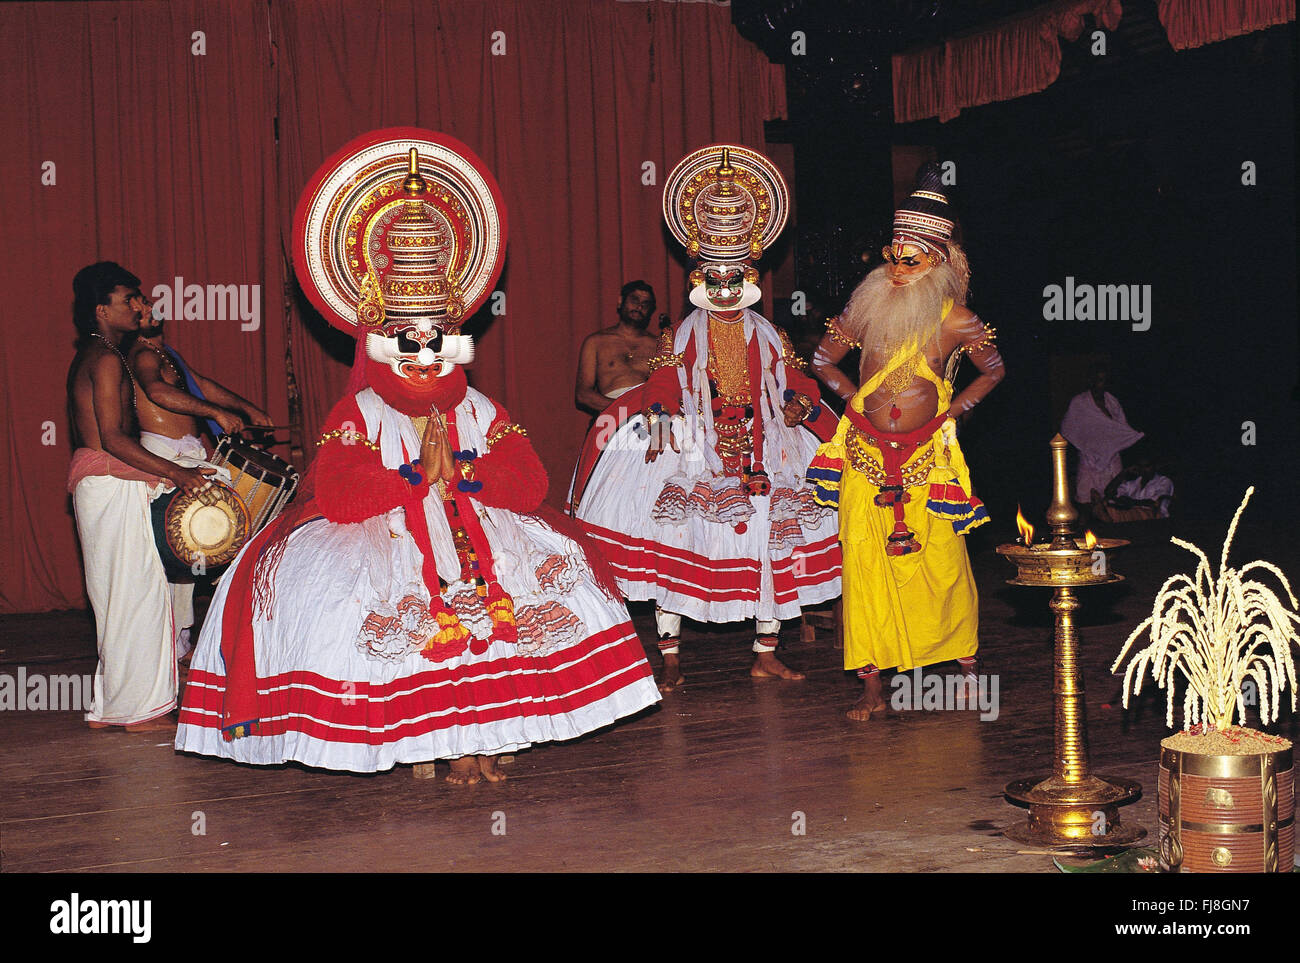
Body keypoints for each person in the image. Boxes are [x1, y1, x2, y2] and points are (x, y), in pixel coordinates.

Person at [174, 130, 660, 782]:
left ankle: (492, 734)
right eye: (411, 336)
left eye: (438, 335)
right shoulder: (361, 412)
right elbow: (341, 495)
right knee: (395, 616)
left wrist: (460, 471)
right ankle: (446, 743)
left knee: (518, 602)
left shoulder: (482, 408)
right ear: (383, 334)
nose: (426, 349)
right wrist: (412, 475)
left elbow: (531, 478)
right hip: (387, 538)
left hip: (482, 527)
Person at [571, 145, 842, 691]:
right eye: (714, 279)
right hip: (694, 447)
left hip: (767, 448)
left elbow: (797, 384)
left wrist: (801, 406)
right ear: (700, 276)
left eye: (733, 279)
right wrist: (660, 423)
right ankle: (670, 655)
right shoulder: (681, 334)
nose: (723, 290)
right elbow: (667, 385)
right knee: (676, 543)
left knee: (770, 543)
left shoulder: (771, 334)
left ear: (748, 277)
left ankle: (765, 652)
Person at [807, 164, 1004, 721]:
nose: (896, 267)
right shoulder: (863, 309)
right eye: (892, 255)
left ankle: (964, 669)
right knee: (864, 567)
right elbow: (822, 360)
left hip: (928, 457)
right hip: (864, 455)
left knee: (941, 563)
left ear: (938, 261)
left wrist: (954, 410)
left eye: (910, 258)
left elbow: (994, 371)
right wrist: (852, 400)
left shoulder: (958, 319)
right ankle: (872, 685)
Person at [65, 262, 213, 732]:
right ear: (100, 309)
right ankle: (139, 712)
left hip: (107, 486)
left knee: (120, 597)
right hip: (110, 486)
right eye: (129, 298)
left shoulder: (100, 354)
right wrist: (175, 472)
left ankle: (116, 706)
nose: (140, 306)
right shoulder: (106, 359)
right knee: (138, 596)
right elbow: (111, 438)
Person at [128, 303, 274, 657]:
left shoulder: (166, 352)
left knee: (193, 553)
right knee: (174, 555)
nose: (147, 309)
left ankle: (180, 642)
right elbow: (157, 392)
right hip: (165, 454)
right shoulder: (141, 355)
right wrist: (215, 413)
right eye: (138, 306)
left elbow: (202, 385)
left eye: (147, 303)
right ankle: (166, 647)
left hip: (188, 452)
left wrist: (246, 408)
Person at [574, 281, 660, 414]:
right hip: (610, 412)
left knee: (668, 431)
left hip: (650, 412)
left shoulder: (659, 345)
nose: (639, 306)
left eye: (646, 303)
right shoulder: (596, 341)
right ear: (620, 301)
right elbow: (583, 395)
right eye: (634, 300)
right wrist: (624, 408)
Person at [1059, 366, 1143, 503]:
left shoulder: (1112, 402)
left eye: (1104, 380)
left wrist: (1134, 436)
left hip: (1112, 459)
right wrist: (1087, 445)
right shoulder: (1079, 402)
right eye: (1098, 380)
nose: (1101, 383)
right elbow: (1068, 429)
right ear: (1090, 381)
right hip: (1088, 460)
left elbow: (1121, 429)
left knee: (1114, 501)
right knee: (1085, 502)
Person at [1104, 448, 1173, 518]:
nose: (1144, 470)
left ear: (1155, 466)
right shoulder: (1132, 484)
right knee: (1107, 509)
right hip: (1134, 517)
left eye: (1147, 466)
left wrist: (1131, 502)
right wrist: (1123, 473)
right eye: (1140, 466)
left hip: (1156, 518)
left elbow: (1153, 503)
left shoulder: (1164, 481)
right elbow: (1109, 493)